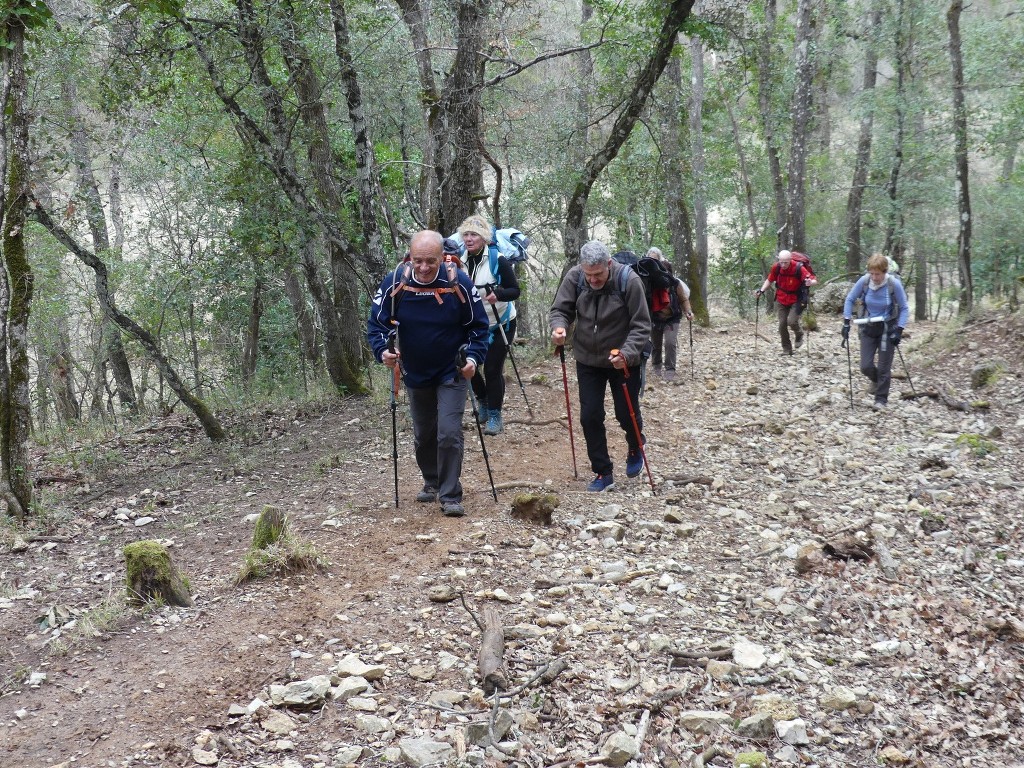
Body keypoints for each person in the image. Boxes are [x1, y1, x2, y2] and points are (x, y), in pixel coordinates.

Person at [367, 230, 489, 517]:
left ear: (441, 258)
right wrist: (382, 352)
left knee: (448, 432)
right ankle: (432, 480)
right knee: (424, 435)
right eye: (418, 261)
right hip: (415, 370)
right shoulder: (396, 282)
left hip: (452, 370)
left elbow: (479, 327)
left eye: (430, 262)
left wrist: (472, 358)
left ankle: (450, 495)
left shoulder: (458, 282)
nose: (424, 268)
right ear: (410, 257)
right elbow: (376, 325)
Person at [549, 240, 651, 492]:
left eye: (598, 274)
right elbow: (560, 309)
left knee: (625, 412)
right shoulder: (575, 277)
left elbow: (642, 325)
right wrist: (559, 327)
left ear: (608, 264)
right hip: (587, 358)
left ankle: (636, 444)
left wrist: (626, 354)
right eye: (588, 274)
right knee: (590, 416)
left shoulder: (629, 280)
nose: (593, 280)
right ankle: (603, 472)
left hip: (622, 359)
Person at [457, 215, 521, 436]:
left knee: (492, 369)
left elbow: (515, 290)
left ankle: (495, 415)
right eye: (465, 234)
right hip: (472, 325)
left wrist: (499, 294)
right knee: (469, 366)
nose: (469, 238)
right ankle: (483, 401)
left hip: (500, 322)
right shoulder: (458, 261)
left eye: (474, 234)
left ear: (484, 237)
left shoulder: (498, 259)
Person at [841, 253, 910, 411]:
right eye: (871, 273)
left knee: (884, 366)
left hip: (887, 328)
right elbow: (850, 299)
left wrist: (899, 330)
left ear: (884, 272)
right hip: (868, 326)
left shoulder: (893, 284)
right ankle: (876, 379)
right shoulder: (864, 281)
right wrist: (846, 322)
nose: (874, 277)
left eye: (877, 274)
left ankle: (881, 400)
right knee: (865, 366)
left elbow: (904, 307)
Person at [754, 249, 818, 356]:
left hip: (796, 299)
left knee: (792, 321)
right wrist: (761, 290)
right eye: (781, 262)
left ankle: (799, 334)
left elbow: (814, 279)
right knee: (782, 325)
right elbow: (769, 280)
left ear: (790, 260)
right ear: (778, 260)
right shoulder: (776, 267)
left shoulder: (798, 267)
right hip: (781, 298)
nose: (783, 265)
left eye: (786, 262)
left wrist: (810, 282)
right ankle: (787, 350)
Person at [646, 247, 694, 381]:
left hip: (672, 318)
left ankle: (670, 368)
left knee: (670, 343)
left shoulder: (675, 283)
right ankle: (656, 365)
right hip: (655, 317)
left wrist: (688, 311)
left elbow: (684, 299)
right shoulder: (648, 283)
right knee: (655, 343)